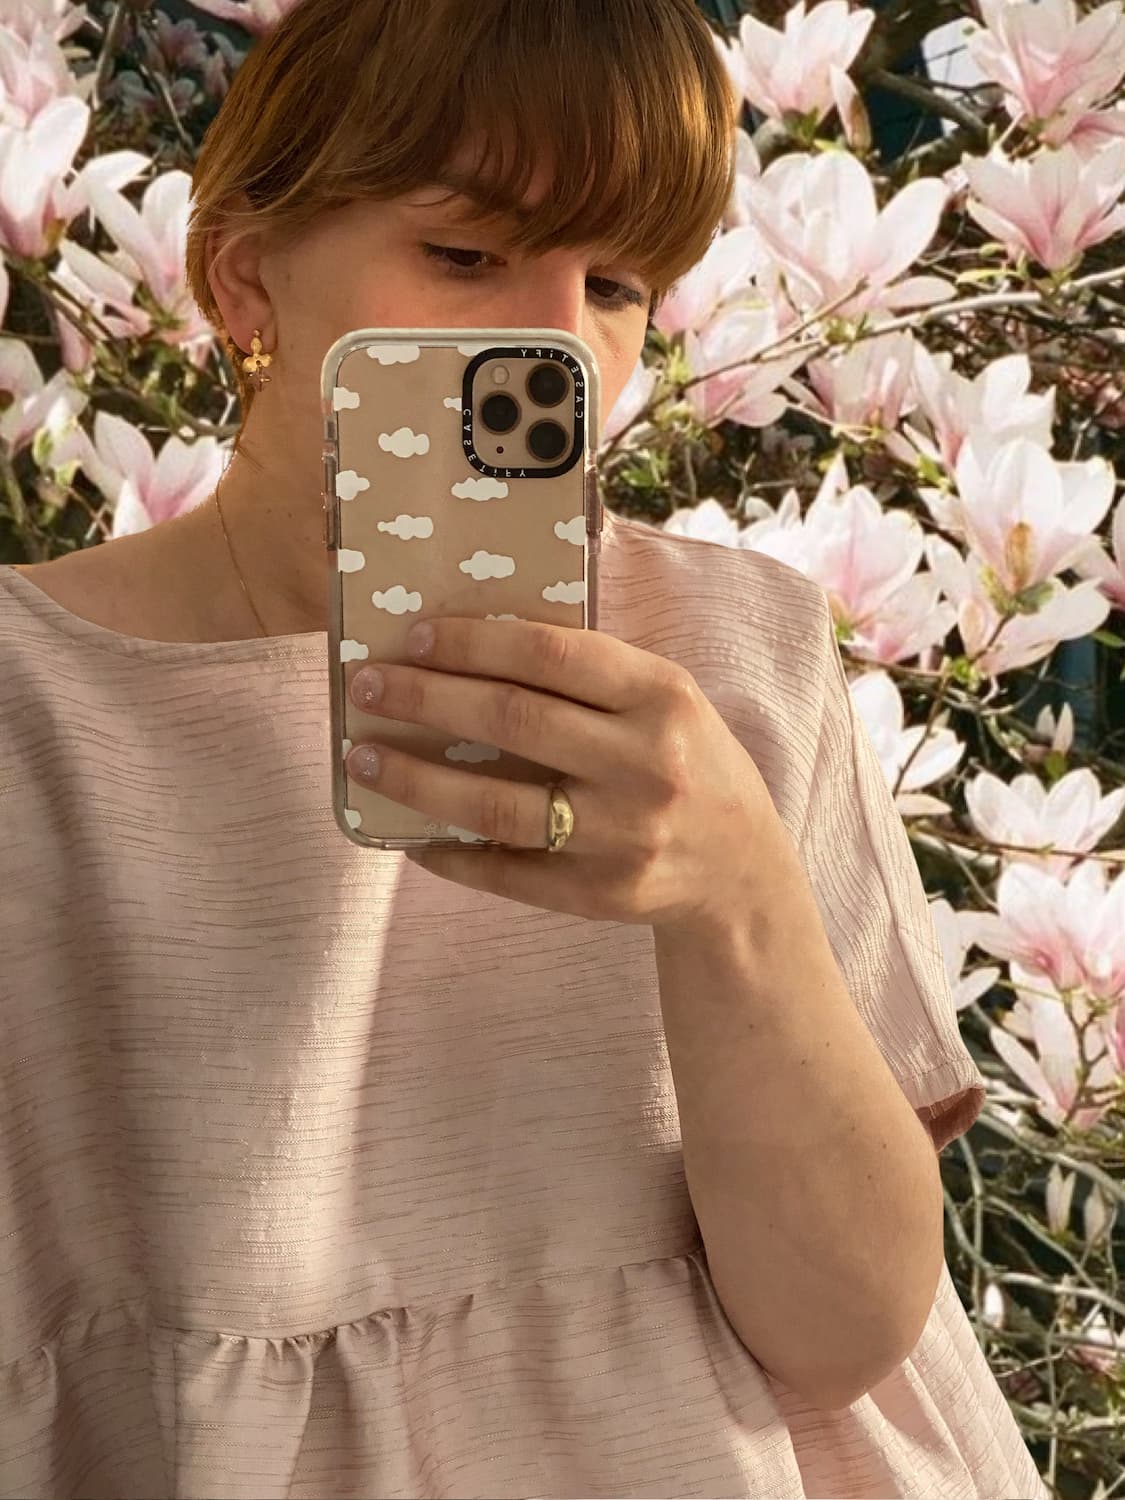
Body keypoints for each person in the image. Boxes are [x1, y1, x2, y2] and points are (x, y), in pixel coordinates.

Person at [0, 1, 1049, 1496]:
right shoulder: (31, 708)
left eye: (614, 282)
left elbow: (844, 1337)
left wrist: (734, 896)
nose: (550, 339)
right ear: (246, 279)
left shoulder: (735, 663)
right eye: (465, 254)